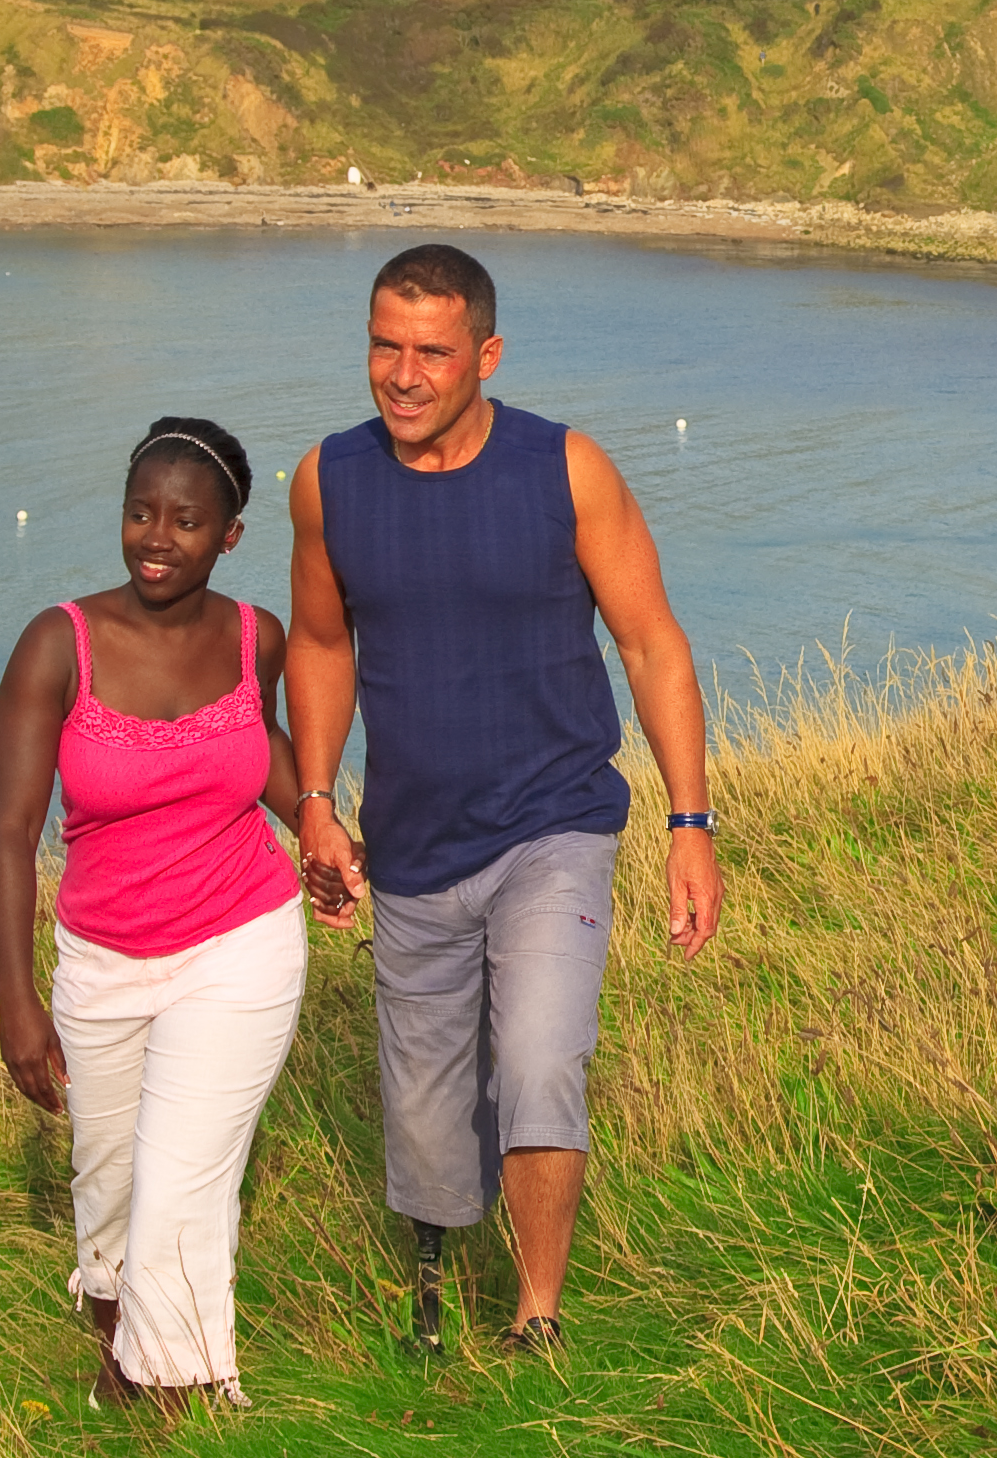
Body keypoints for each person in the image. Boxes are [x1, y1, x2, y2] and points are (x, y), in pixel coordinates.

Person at [284, 243, 721, 1358]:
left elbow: (651, 640)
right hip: (415, 842)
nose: (404, 372)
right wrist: (320, 800)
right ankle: (433, 1268)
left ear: (486, 352)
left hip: (555, 821)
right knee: (430, 1110)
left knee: (535, 1057)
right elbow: (324, 644)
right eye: (385, 344)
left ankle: (538, 1315)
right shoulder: (327, 480)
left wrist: (689, 821)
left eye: (432, 350)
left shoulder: (564, 469)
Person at [0, 416, 329, 1418]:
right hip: (102, 961)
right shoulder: (59, 645)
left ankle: (177, 1403)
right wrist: (17, 1007)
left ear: (230, 533)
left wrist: (319, 827)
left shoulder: (254, 635)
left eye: (186, 518)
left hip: (241, 942)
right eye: (141, 511)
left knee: (181, 1180)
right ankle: (123, 1364)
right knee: (111, 1194)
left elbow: (254, 743)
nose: (157, 536)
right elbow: (10, 836)